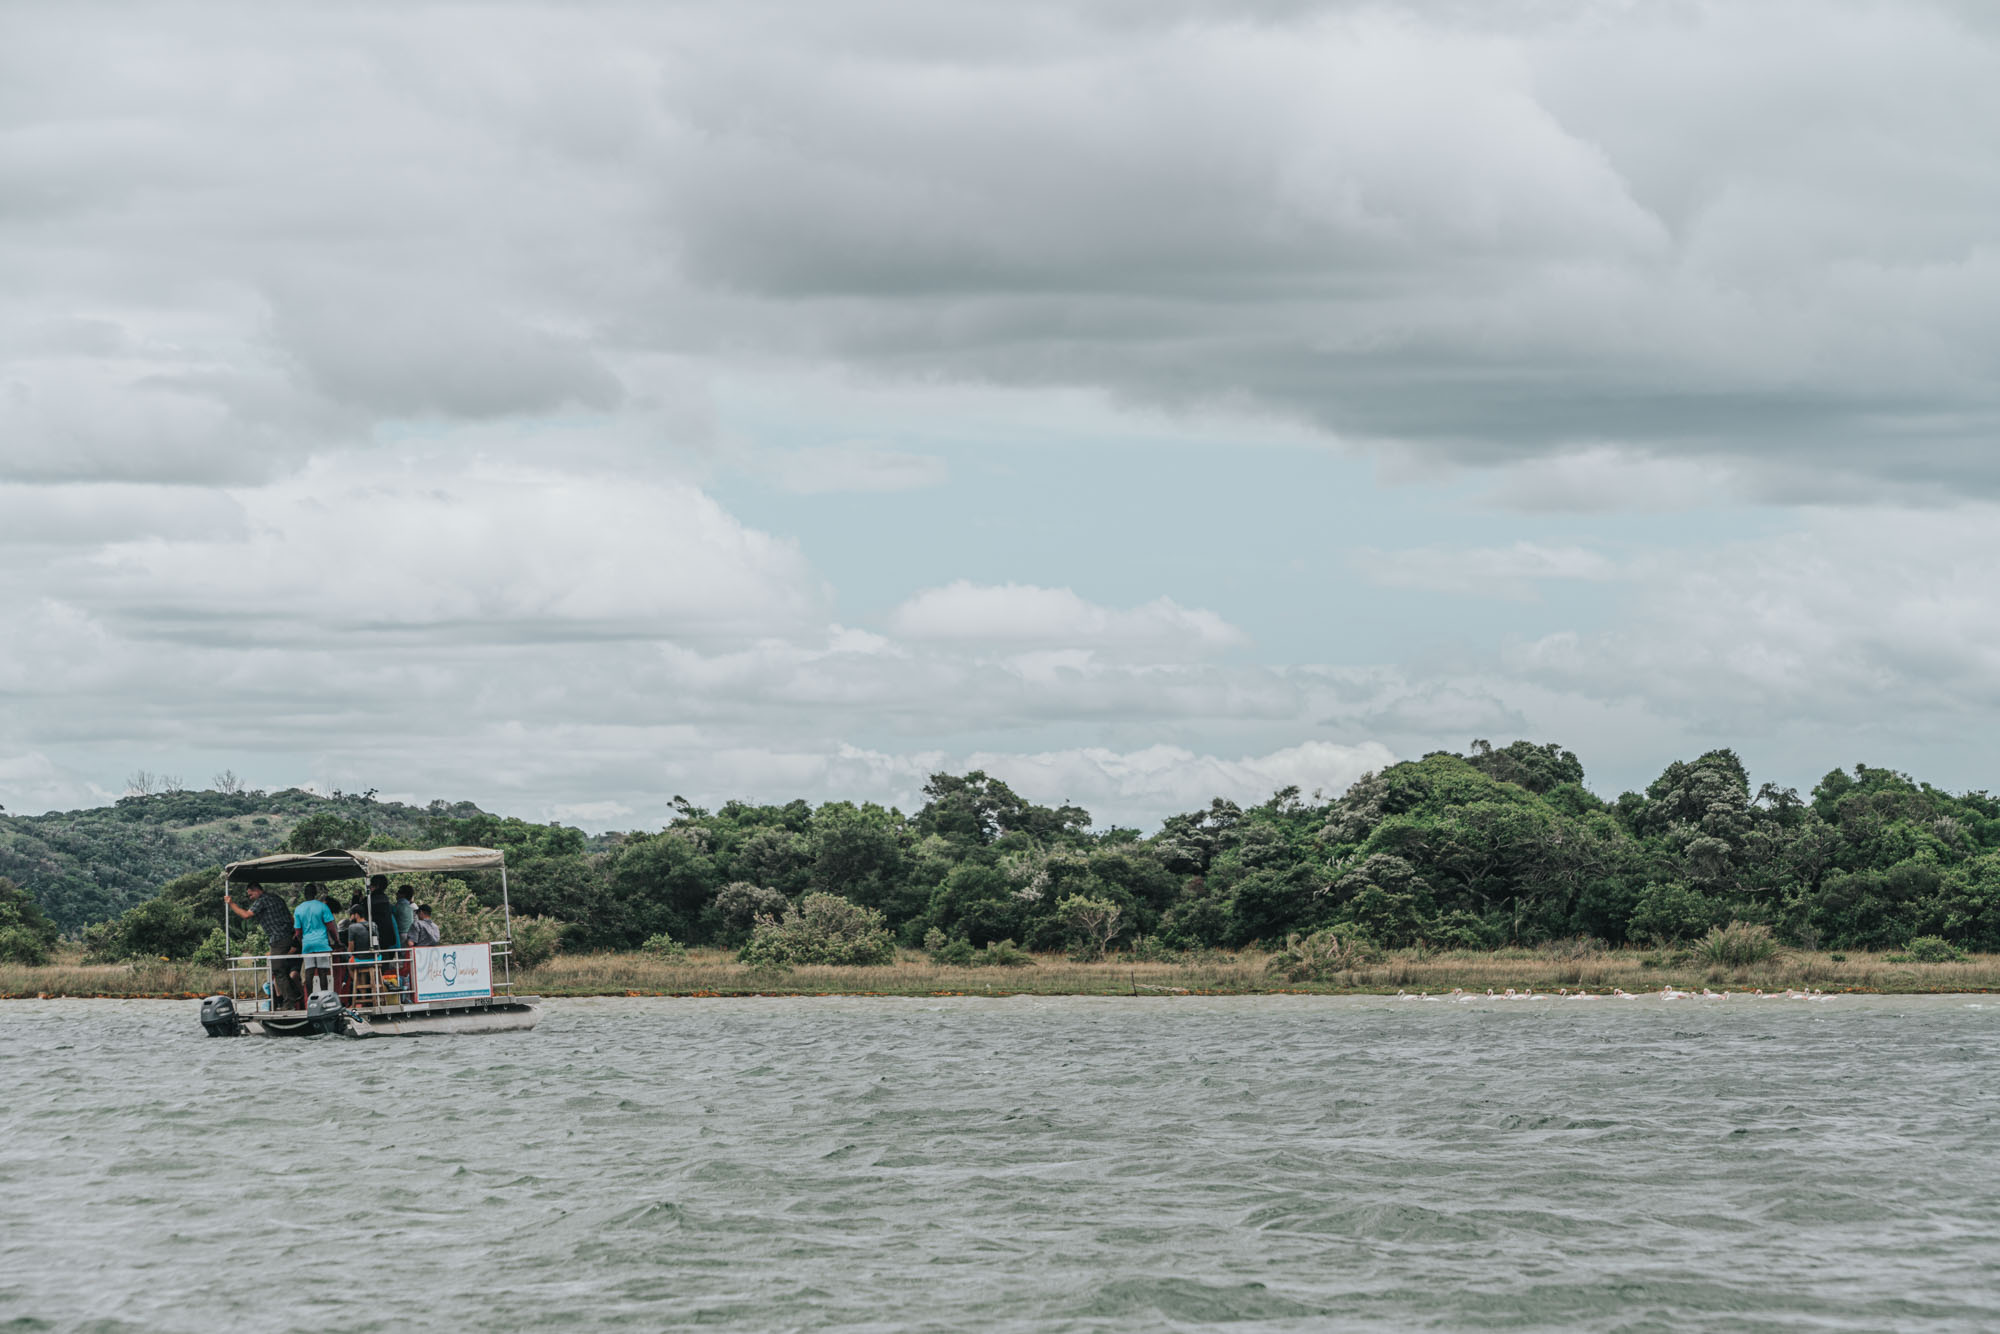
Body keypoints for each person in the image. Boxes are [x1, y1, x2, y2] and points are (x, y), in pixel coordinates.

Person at [223, 882, 299, 1009]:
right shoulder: (276, 898)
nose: (250, 897)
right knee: (281, 969)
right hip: (288, 936)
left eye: (250, 894)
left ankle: (290, 1000)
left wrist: (231, 903)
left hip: (278, 938)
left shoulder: (262, 900)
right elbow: (290, 918)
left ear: (257, 890)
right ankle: (294, 994)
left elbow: (246, 915)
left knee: (277, 969)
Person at [294, 886, 338, 1000]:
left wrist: (302, 941)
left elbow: (298, 932)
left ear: (304, 894)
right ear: (315, 894)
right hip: (321, 943)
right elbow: (331, 927)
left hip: (307, 944)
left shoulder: (298, 909)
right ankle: (324, 999)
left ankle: (310, 999)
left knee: (309, 971)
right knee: (322, 972)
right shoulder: (322, 906)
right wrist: (337, 941)